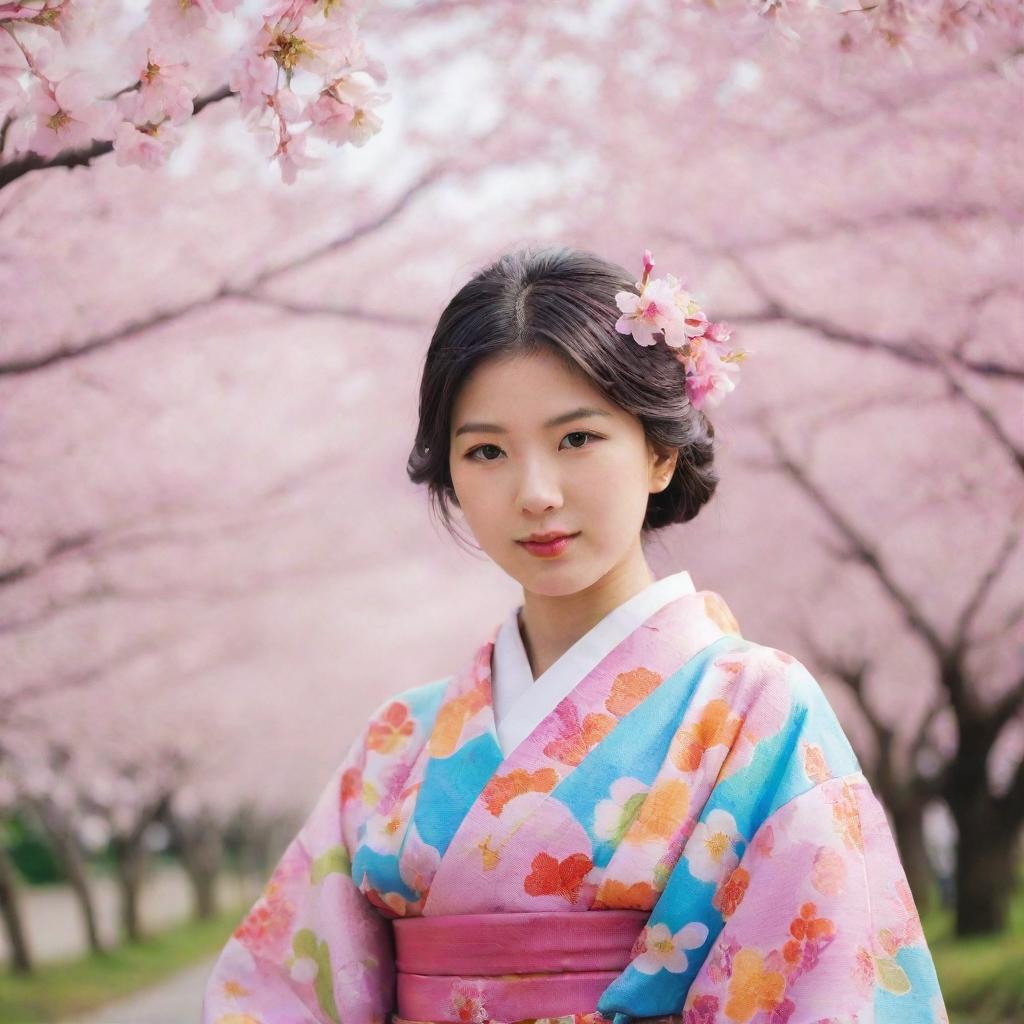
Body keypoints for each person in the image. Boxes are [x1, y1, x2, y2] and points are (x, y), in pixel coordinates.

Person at [202, 246, 947, 1024]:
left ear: (660, 452)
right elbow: (278, 994)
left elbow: (825, 986)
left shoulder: (757, 709)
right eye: (486, 451)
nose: (536, 493)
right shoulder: (400, 737)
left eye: (578, 439)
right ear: (450, 475)